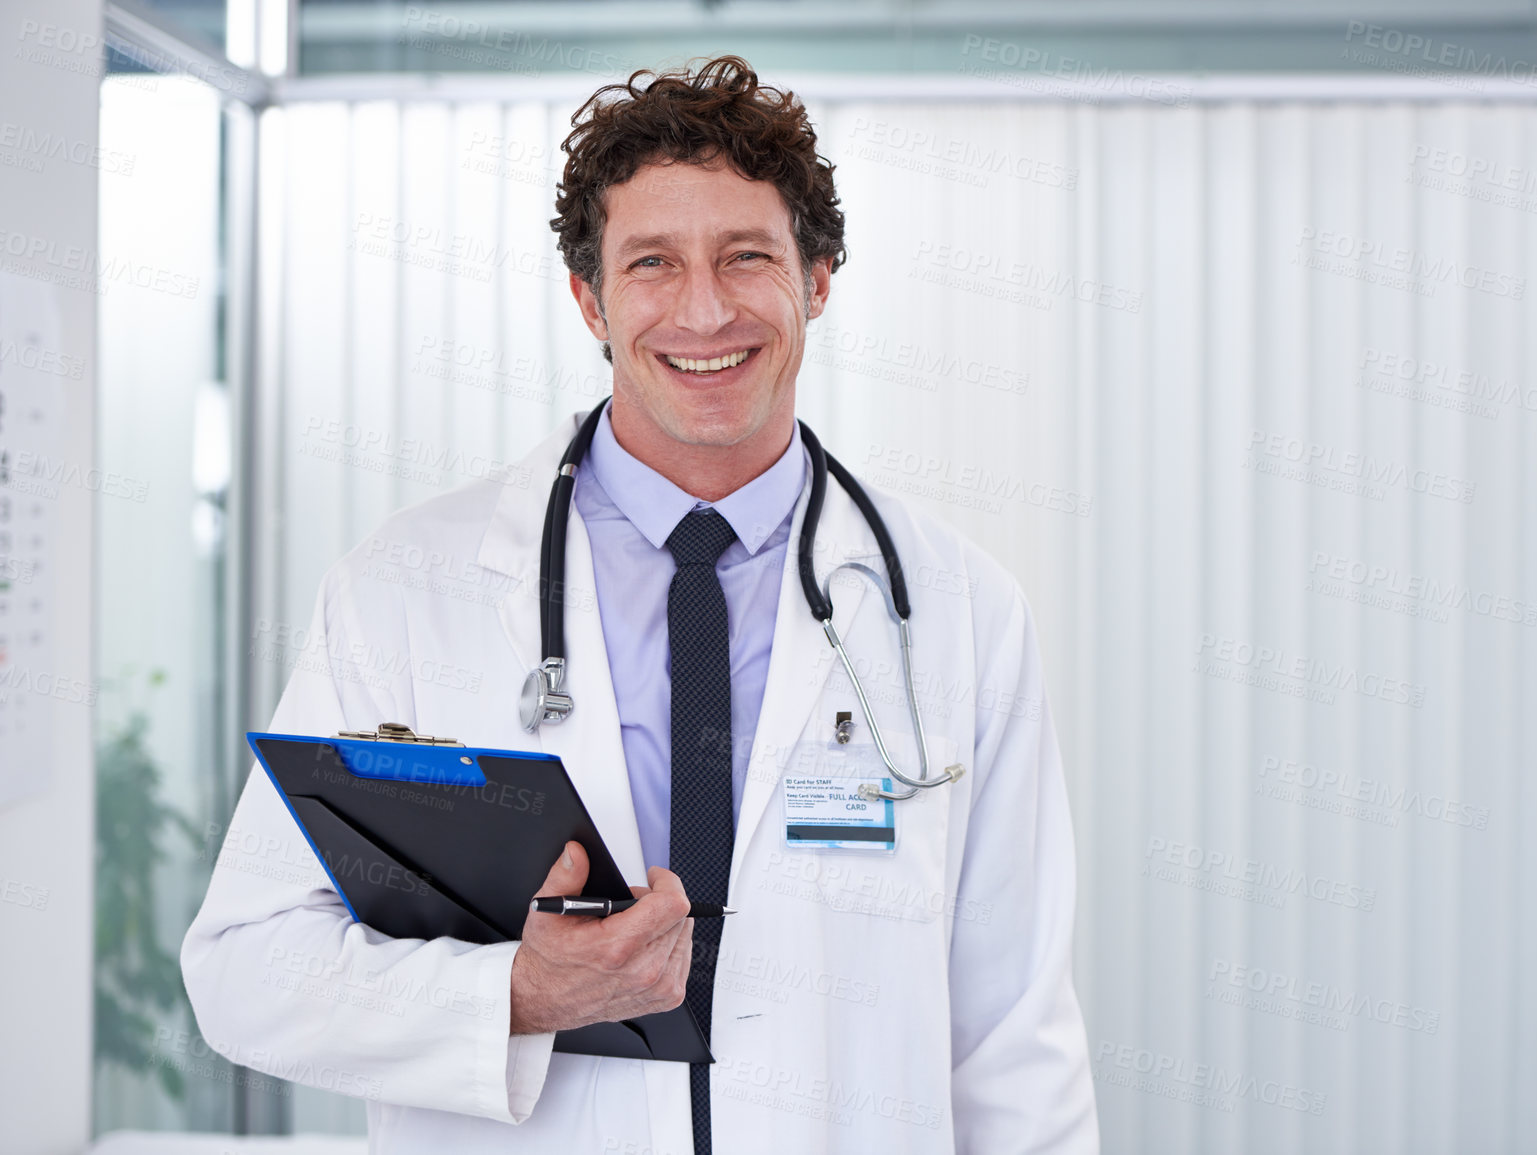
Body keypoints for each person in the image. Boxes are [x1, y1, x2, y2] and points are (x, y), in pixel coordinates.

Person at [182, 55, 1097, 1153]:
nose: (703, 309)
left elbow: (1014, 1040)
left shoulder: (957, 611)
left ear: (817, 280)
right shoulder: (405, 590)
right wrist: (516, 996)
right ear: (591, 300)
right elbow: (245, 969)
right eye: (652, 261)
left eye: (747, 256)